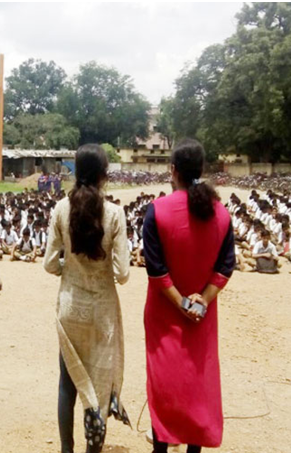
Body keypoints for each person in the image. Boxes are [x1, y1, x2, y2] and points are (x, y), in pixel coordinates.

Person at [142, 139, 235, 453]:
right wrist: (202, 300)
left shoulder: (157, 211)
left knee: (164, 383)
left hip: (164, 315)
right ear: (201, 169)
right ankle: (194, 449)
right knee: (198, 384)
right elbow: (226, 266)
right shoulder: (222, 214)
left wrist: (180, 302)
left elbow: (156, 270)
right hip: (201, 317)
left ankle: (161, 447)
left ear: (173, 170)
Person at [43, 144, 130, 453]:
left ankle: (66, 449)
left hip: (70, 307)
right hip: (102, 312)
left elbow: (49, 263)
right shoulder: (115, 214)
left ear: (76, 171)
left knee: (67, 383)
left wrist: (69, 269)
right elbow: (122, 273)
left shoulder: (60, 209)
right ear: (104, 174)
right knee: (99, 384)